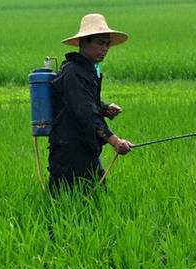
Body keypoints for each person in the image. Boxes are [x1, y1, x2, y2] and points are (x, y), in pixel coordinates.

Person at [48, 13, 132, 197]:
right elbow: (85, 112)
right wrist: (115, 141)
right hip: (69, 151)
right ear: (84, 42)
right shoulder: (73, 72)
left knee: (96, 198)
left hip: (85, 146)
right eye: (100, 43)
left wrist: (104, 108)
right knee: (64, 203)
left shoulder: (88, 70)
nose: (105, 48)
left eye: (107, 44)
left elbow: (87, 102)